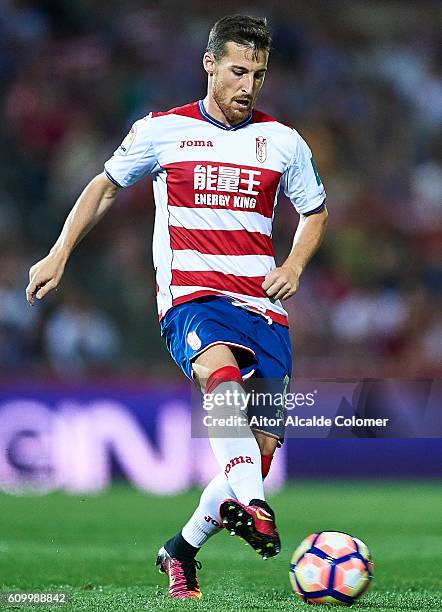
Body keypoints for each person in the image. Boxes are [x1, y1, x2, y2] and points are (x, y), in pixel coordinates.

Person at [26, 14, 328, 600]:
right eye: (238, 71)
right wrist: (59, 252)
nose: (249, 86)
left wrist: (291, 267)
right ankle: (258, 508)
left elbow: (314, 210)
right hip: (192, 298)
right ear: (209, 64)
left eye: (259, 75)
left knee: (260, 450)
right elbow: (106, 186)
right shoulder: (163, 130)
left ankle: (181, 549)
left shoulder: (284, 142)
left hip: (262, 306)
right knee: (219, 377)